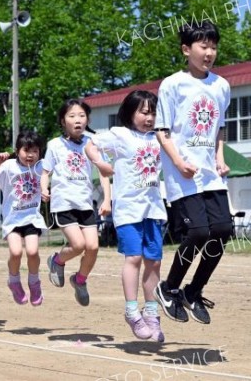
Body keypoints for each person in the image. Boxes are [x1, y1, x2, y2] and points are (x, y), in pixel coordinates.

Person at [153, 21, 231, 325]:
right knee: (198, 232)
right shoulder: (172, 84)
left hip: (211, 172)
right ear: (187, 49)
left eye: (213, 46)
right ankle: (168, 286)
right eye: (203, 46)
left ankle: (192, 292)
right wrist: (179, 162)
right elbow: (162, 130)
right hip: (181, 173)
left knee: (222, 231)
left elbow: (219, 127)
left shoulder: (221, 85)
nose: (209, 52)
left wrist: (220, 157)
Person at [86, 90, 166, 342]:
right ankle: (132, 311)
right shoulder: (120, 135)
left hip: (154, 209)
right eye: (144, 112)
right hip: (129, 210)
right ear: (130, 113)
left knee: (154, 261)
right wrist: (102, 164)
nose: (149, 117)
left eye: (153, 112)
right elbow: (91, 145)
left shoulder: (160, 139)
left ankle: (151, 314)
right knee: (134, 258)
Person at [41, 99, 111, 307]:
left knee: (93, 246)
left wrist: (107, 199)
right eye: (72, 116)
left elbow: (104, 172)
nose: (77, 120)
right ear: (63, 121)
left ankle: (79, 280)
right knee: (78, 245)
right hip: (64, 203)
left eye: (81, 116)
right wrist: (44, 188)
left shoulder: (93, 142)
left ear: (87, 119)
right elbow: (45, 172)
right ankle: (57, 261)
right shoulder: (54, 145)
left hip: (85, 204)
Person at [0, 131, 47, 306]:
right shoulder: (8, 167)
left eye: (35, 151)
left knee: (33, 251)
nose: (30, 155)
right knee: (15, 252)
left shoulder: (41, 167)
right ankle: (14, 281)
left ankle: (34, 282)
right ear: (17, 150)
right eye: (26, 150)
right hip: (12, 219)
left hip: (32, 217)